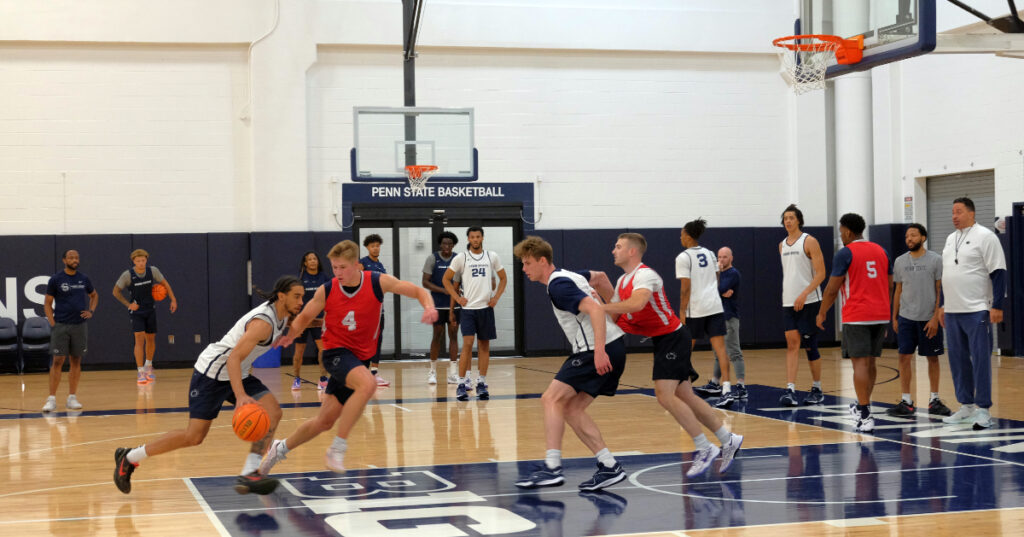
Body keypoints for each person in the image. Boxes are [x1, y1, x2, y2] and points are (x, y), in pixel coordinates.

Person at [113, 276, 303, 495]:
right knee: (194, 437)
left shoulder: (284, 315)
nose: (301, 301)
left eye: (302, 297)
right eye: (296, 296)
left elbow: (302, 321)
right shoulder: (263, 323)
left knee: (273, 412)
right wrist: (240, 397)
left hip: (237, 372)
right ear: (281, 296)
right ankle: (128, 457)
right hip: (212, 372)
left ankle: (250, 473)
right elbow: (232, 358)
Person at [259, 240, 437, 474]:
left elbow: (417, 291)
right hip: (335, 353)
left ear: (356, 265)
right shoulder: (328, 289)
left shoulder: (377, 282)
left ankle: (278, 449)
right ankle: (337, 449)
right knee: (368, 384)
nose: (337, 273)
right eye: (334, 267)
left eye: (342, 267)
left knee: (324, 421)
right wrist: (291, 335)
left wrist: (429, 306)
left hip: (359, 359)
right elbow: (304, 317)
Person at [597, 233, 743, 478]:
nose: (613, 250)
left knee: (664, 396)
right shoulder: (622, 281)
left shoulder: (646, 275)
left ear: (632, 251)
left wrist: (600, 307)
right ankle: (728, 439)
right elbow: (616, 317)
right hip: (665, 340)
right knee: (685, 394)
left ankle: (704, 447)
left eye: (618, 246)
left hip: (673, 338)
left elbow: (636, 304)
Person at [512, 236, 628, 491]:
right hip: (614, 345)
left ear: (542, 261)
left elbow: (595, 311)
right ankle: (609, 466)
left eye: (527, 263)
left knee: (551, 399)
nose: (524, 269)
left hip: (595, 350)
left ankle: (552, 468)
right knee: (571, 409)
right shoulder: (572, 275)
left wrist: (599, 350)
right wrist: (616, 315)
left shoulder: (558, 286)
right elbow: (600, 277)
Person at [816, 213, 891, 433]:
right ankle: (862, 406)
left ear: (848, 231)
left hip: (857, 314)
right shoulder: (881, 250)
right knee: (871, 362)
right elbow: (890, 285)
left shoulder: (845, 253)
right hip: (880, 314)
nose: (841, 235)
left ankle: (865, 414)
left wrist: (821, 313)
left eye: (841, 232)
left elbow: (831, 289)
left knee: (859, 364)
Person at [938, 197, 1007, 429]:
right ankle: (966, 406)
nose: (954, 216)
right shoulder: (950, 239)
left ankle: (983, 410)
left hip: (977, 309)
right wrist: (943, 305)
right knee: (957, 361)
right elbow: (948, 274)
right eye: (952, 212)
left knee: (980, 360)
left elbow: (998, 272)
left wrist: (996, 305)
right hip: (953, 311)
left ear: (971, 213)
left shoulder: (986, 237)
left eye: (958, 211)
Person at [888, 224, 951, 418]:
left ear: (923, 237)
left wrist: (935, 316)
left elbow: (940, 289)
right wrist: (894, 316)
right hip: (906, 318)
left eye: (913, 235)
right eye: (907, 236)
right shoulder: (899, 261)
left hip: (928, 319)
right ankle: (906, 401)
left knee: (932, 359)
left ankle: (934, 399)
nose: (909, 239)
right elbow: (898, 290)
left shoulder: (936, 260)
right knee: (904, 357)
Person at [443, 226, 508, 401]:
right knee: (467, 344)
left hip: (486, 308)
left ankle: (481, 383)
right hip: (468, 309)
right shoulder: (461, 258)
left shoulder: (491, 256)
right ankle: (462, 384)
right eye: (472, 237)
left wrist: (496, 297)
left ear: (482, 238)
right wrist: (457, 298)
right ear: (468, 239)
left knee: (484, 346)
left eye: (478, 236)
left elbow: (503, 278)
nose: (476, 239)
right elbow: (446, 279)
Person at [676, 219, 735, 406]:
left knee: (685, 349)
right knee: (721, 349)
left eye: (681, 233)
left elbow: (685, 287)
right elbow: (717, 277)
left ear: (687, 235)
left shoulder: (683, 257)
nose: (680, 237)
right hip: (715, 306)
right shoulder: (710, 254)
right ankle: (727, 390)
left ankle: (683, 389)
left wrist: (682, 310)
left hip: (697, 308)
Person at [778, 204, 827, 406]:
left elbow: (821, 273)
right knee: (791, 344)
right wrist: (793, 296)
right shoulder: (781, 245)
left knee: (809, 345)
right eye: (785, 218)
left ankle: (817, 388)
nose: (788, 221)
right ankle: (790, 390)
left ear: (799, 220)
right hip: (789, 301)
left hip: (809, 301)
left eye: (791, 217)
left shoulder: (810, 241)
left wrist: (804, 294)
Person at [42, 249, 98, 412]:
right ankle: (51, 399)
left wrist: (91, 311)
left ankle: (72, 397)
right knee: (58, 361)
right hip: (61, 325)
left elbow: (94, 295)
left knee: (76, 361)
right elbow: (47, 303)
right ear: (64, 260)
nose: (74, 259)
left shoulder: (83, 278)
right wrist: (53, 322)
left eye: (76, 257)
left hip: (79, 325)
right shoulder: (56, 279)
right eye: (71, 257)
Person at [111, 249, 178, 385]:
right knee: (139, 339)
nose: (141, 263)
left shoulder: (153, 271)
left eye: (143, 260)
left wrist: (173, 300)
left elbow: (166, 285)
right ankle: (140, 370)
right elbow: (115, 291)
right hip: (137, 311)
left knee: (151, 339)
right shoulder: (127, 275)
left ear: (146, 260)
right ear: (133, 261)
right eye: (138, 261)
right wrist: (128, 304)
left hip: (150, 310)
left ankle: (148, 366)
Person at [422, 231, 462, 385]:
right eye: (444, 243)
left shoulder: (458, 259)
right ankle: (432, 372)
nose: (447, 246)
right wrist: (444, 290)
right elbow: (425, 282)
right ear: (440, 244)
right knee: (437, 335)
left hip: (454, 305)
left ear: (453, 245)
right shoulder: (433, 258)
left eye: (450, 244)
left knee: (453, 336)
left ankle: (453, 373)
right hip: (438, 304)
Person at [292, 251, 331, 391]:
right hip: (303, 321)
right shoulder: (300, 278)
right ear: (305, 263)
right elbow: (294, 300)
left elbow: (330, 298)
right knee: (299, 353)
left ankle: (323, 379)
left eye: (315, 258)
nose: (313, 261)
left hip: (319, 320)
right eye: (310, 259)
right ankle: (296, 378)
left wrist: (326, 316)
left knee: (323, 350)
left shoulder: (324, 278)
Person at [358, 234, 390, 387]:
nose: (375, 248)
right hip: (365, 310)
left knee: (377, 339)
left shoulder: (381, 265)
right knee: (364, 340)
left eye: (377, 245)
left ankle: (374, 372)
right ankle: (361, 372)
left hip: (379, 309)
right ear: (367, 247)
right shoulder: (362, 263)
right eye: (372, 246)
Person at [716, 246, 747, 400]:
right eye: (719, 257)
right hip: (718, 317)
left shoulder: (733, 274)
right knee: (718, 353)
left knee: (734, 351)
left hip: (730, 317)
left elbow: (718, 288)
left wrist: (719, 290)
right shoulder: (718, 274)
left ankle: (741, 386)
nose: (721, 260)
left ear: (731, 258)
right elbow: (711, 289)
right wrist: (720, 292)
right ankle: (715, 383)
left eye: (725, 257)